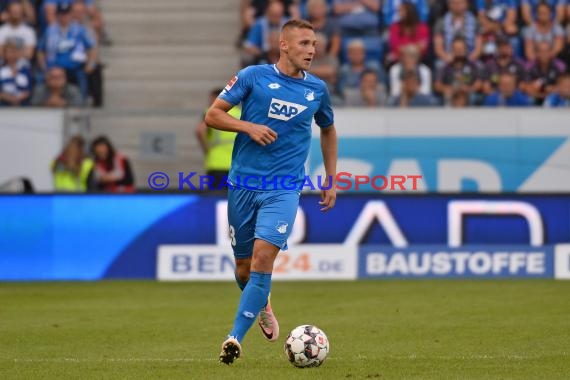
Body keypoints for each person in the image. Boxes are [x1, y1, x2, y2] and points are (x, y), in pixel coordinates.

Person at [205, 19, 337, 364]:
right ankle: (262, 304)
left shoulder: (317, 90)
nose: (311, 50)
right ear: (284, 45)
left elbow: (328, 130)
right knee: (245, 270)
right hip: (243, 185)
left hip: (284, 188)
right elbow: (213, 115)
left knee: (264, 259)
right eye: (305, 43)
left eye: (313, 44)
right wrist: (247, 126)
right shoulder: (252, 77)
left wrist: (331, 178)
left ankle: (234, 338)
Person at [37, 2, 98, 101]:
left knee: (83, 76)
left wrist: (91, 64)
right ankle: (40, 102)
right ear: (57, 15)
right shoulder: (50, 30)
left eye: (66, 14)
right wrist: (44, 67)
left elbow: (92, 47)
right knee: (41, 78)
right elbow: (40, 50)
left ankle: (82, 101)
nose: (64, 17)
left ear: (70, 15)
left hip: (74, 68)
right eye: (61, 14)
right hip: (54, 67)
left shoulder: (80, 30)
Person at [195, 88, 241, 190]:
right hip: (237, 165)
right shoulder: (240, 113)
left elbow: (200, 130)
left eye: (211, 99)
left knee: (215, 198)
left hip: (216, 163)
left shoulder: (211, 112)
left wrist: (206, 149)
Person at [0, 39, 32, 106]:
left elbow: (28, 90)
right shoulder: (1, 70)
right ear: (4, 54)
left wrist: (18, 99)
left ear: (18, 53)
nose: (11, 55)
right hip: (4, 105)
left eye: (13, 52)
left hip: (23, 105)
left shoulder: (25, 70)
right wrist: (10, 99)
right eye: (8, 52)